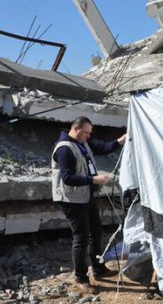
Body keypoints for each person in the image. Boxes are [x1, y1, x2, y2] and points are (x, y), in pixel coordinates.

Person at [51, 116, 127, 289]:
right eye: (86, 133)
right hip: (71, 199)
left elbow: (102, 147)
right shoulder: (65, 149)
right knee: (81, 237)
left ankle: (98, 269)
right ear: (75, 129)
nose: (88, 136)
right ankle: (80, 276)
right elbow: (68, 178)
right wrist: (93, 180)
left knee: (96, 231)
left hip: (85, 195)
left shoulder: (82, 142)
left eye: (89, 133)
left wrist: (119, 141)